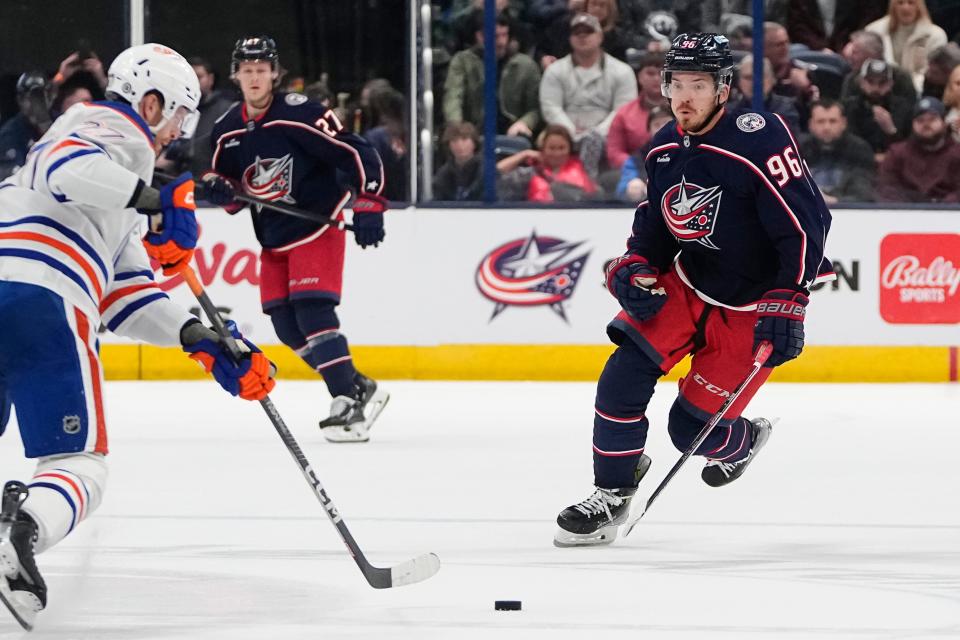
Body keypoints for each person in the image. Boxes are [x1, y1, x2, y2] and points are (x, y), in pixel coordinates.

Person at [0, 43, 274, 628]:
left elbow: (122, 293)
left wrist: (200, 337)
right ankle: (21, 530)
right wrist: (157, 198)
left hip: (19, 281)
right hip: (39, 294)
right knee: (80, 464)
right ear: (151, 102)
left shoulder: (114, 175)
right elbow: (64, 169)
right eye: (179, 114)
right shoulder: (115, 129)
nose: (178, 131)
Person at [553, 33, 833, 547]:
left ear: (723, 88)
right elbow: (655, 229)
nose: (683, 97)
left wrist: (791, 298)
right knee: (621, 376)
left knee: (689, 432)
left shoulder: (760, 136)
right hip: (688, 284)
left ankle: (743, 439)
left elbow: (806, 223)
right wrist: (634, 265)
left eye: (697, 84)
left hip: (753, 304)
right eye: (675, 83)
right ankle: (611, 492)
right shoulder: (662, 149)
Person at [203, 36, 389, 443]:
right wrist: (220, 189)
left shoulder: (301, 114)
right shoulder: (226, 129)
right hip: (273, 235)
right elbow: (231, 186)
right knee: (286, 326)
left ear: (275, 73)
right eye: (246, 70)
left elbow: (355, 151)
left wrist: (370, 201)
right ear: (237, 75)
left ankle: (345, 399)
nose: (254, 77)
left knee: (312, 311)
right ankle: (356, 383)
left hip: (316, 224)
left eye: (261, 69)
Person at [539, 13, 637, 179]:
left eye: (588, 32)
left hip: (608, 135)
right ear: (570, 39)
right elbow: (551, 108)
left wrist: (597, 133)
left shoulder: (623, 71)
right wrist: (571, 132)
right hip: (565, 134)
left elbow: (623, 110)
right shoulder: (555, 71)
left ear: (600, 36)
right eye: (577, 33)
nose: (582, 37)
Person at [442, 10, 542, 138]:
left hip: (514, 131)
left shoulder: (526, 65)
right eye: (495, 36)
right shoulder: (462, 61)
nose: (501, 42)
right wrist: (458, 127)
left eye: (504, 35)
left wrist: (525, 122)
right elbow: (453, 97)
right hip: (474, 133)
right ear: (479, 36)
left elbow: (536, 107)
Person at [878, 96, 960, 201]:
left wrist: (942, 207)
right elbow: (886, 188)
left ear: (944, 123)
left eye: (932, 119)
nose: (926, 124)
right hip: (905, 213)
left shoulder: (957, 154)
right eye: (920, 120)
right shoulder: (897, 153)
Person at [496, 123, 598, 202]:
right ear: (543, 149)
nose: (557, 153)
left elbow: (593, 137)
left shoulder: (584, 168)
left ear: (569, 149)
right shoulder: (532, 173)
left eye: (562, 148)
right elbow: (495, 172)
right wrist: (524, 154)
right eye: (551, 148)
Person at [800, 99, 877, 203]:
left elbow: (863, 194)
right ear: (810, 125)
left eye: (833, 121)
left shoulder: (859, 149)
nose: (826, 127)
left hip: (846, 212)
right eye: (820, 121)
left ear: (843, 123)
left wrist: (835, 201)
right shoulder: (797, 149)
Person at [866, 0, 947, 91]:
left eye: (911, 3)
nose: (905, 8)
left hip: (919, 90)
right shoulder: (874, 31)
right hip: (879, 88)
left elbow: (932, 74)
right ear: (893, 6)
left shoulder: (935, 36)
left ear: (919, 6)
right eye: (900, 3)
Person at [842, 58, 915, 160]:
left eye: (882, 83)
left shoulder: (904, 108)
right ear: (861, 82)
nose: (876, 88)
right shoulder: (848, 107)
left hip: (894, 163)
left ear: (890, 84)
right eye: (870, 82)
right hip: (858, 163)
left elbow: (911, 148)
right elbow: (846, 143)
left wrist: (891, 130)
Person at [606, 52, 667, 171]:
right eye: (650, 73)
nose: (656, 78)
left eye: (662, 74)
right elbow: (614, 151)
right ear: (639, 77)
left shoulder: (685, 110)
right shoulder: (624, 114)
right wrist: (635, 166)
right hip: (635, 172)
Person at [0, 72, 55, 180]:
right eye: (30, 98)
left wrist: (44, 124)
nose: (36, 104)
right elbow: (13, 176)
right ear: (19, 101)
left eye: (40, 97)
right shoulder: (9, 134)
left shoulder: (61, 121)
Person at [727, 54, 801, 132]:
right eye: (748, 78)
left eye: (760, 77)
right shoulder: (729, 113)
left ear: (772, 79)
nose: (754, 83)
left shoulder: (786, 109)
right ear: (739, 82)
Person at [433, 121, 484, 201]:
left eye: (464, 139)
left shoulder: (484, 169)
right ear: (449, 145)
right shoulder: (443, 174)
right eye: (454, 140)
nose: (459, 145)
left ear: (474, 143)